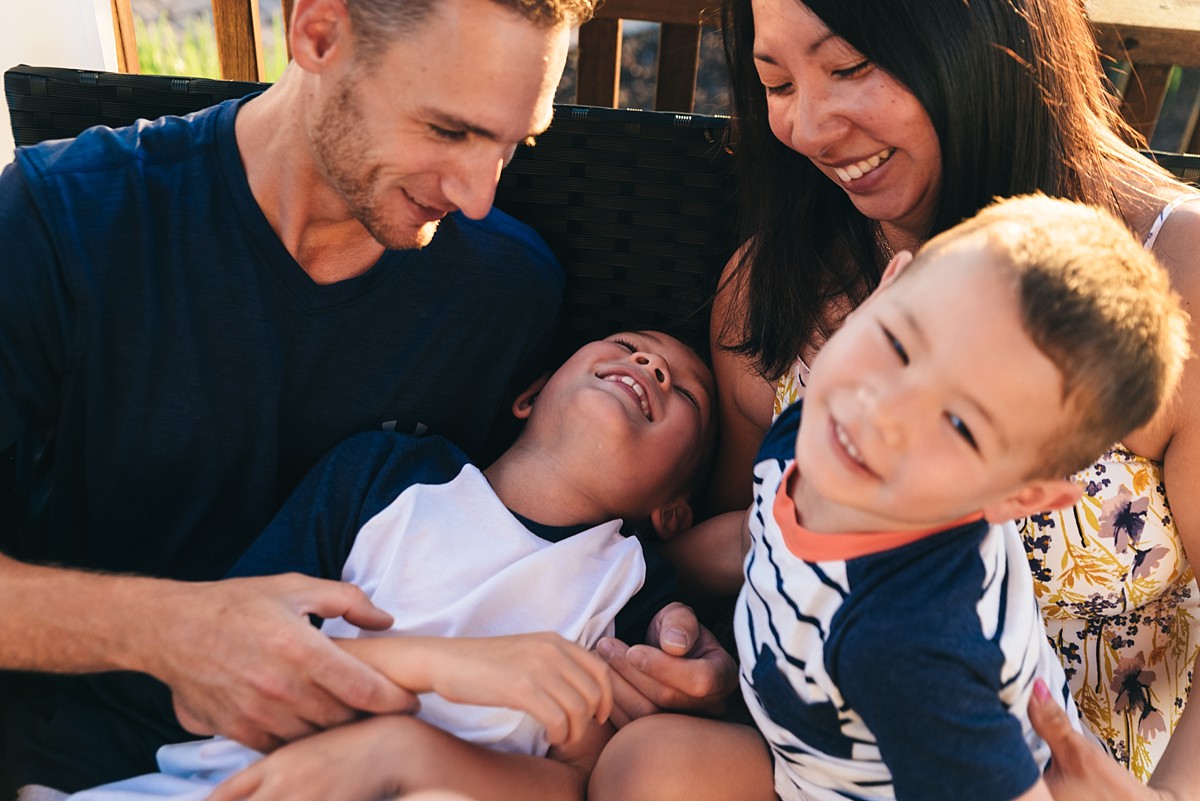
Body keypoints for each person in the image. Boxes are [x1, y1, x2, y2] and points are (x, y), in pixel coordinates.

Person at [0, 0, 734, 793]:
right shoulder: (63, 219)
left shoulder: (505, 291)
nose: (480, 195)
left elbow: (522, 538)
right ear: (318, 34)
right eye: (449, 131)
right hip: (82, 761)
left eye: (513, 145)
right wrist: (176, 632)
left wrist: (676, 648)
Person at [697, 0, 1200, 789]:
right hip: (826, 757)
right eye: (776, 81)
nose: (810, 128)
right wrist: (658, 615)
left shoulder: (1180, 288)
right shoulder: (772, 289)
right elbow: (756, 537)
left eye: (850, 66)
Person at [589, 194, 1191, 801]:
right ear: (886, 290)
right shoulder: (821, 424)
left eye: (957, 426)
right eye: (901, 346)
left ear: (1017, 496)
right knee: (640, 770)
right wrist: (623, 578)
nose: (887, 412)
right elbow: (758, 532)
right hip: (816, 757)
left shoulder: (918, 644)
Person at [63, 329, 715, 801]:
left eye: (686, 390)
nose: (651, 363)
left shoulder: (632, 589)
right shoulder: (383, 472)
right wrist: (440, 664)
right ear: (530, 395)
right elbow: (218, 673)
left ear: (673, 512)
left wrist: (413, 757)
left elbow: (575, 785)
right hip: (238, 780)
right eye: (628, 342)